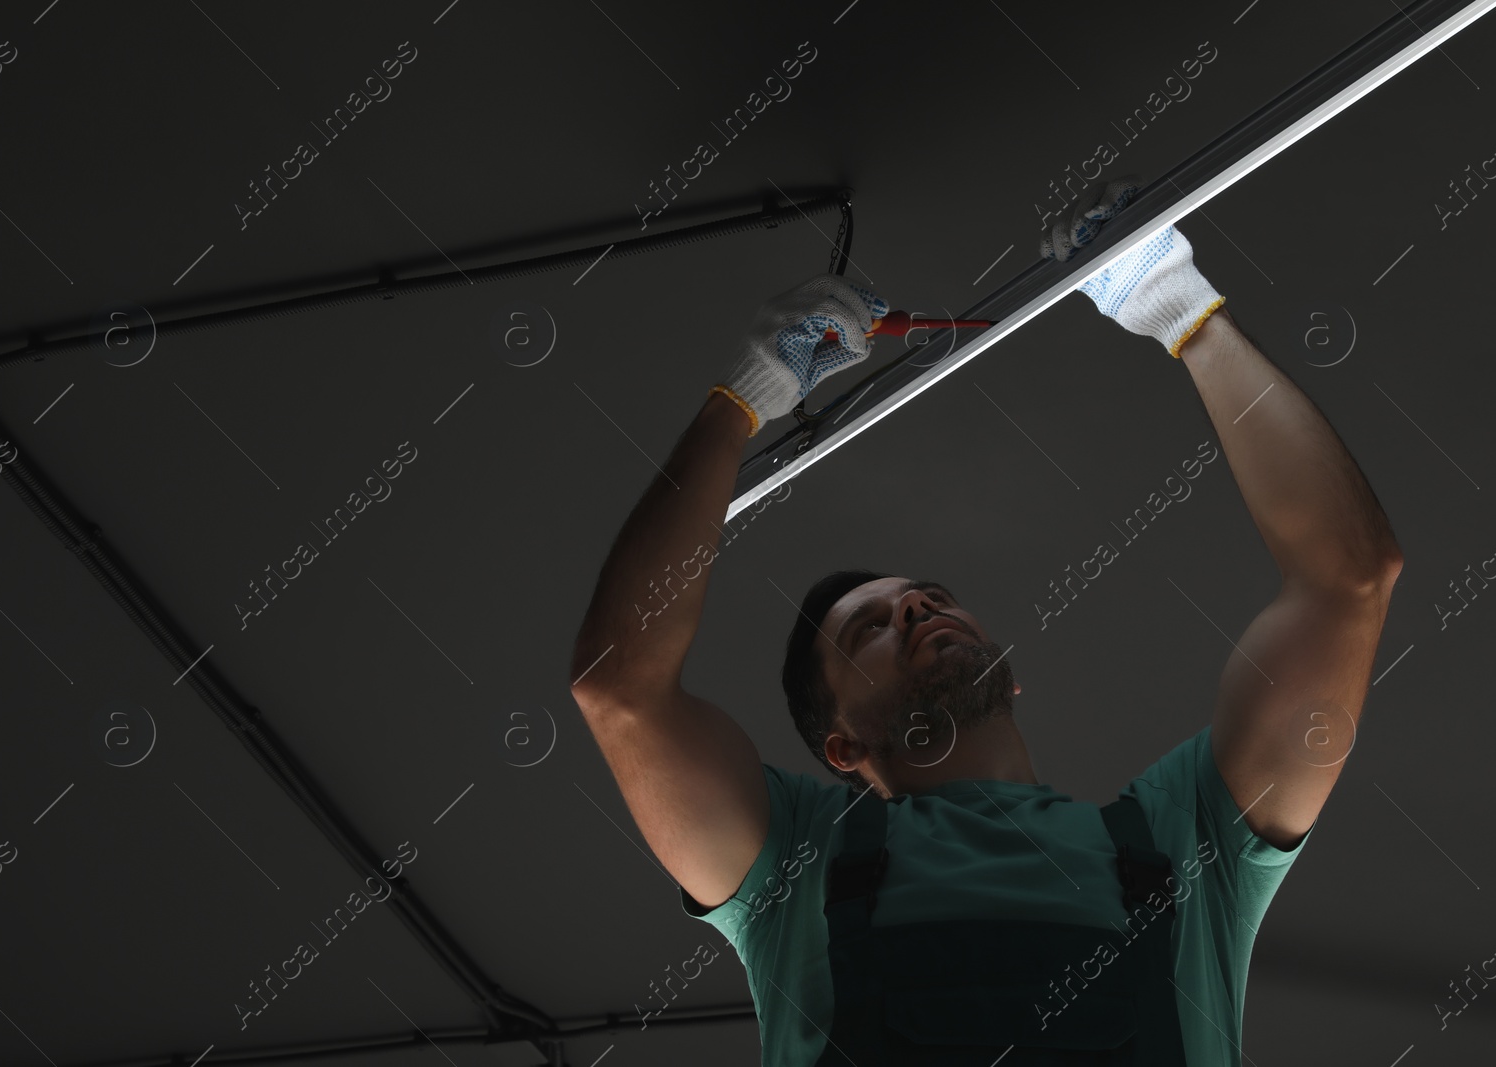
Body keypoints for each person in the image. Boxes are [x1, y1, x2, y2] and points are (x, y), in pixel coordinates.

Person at [567, 178, 1404, 1066]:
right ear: (841, 747)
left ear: (1008, 674)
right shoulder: (792, 868)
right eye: (871, 629)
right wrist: (739, 401)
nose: (915, 606)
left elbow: (1348, 578)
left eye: (928, 596)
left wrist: (1183, 312)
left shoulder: (1182, 842)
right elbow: (620, 685)